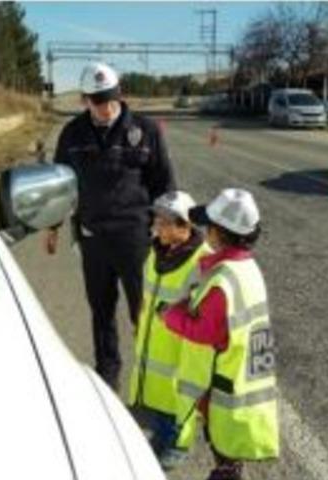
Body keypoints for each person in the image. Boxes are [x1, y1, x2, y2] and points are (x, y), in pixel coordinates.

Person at [46, 62, 175, 389]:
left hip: (136, 239)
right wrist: (53, 226)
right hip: (93, 240)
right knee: (101, 311)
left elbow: (164, 184)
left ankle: (152, 379)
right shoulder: (72, 135)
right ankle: (108, 375)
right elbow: (60, 185)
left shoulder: (145, 131)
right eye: (99, 101)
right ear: (84, 100)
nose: (107, 107)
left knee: (144, 313)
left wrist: (170, 230)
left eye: (112, 99)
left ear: (120, 94)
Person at [161, 188, 280, 480]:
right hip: (245, 372)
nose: (205, 233)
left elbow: (204, 332)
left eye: (208, 228)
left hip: (224, 381)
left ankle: (227, 469)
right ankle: (229, 466)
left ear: (217, 233)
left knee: (223, 443)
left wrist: (170, 314)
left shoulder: (222, 279)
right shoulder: (246, 267)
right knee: (230, 445)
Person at [127, 190, 212, 470]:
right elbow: (148, 295)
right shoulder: (155, 253)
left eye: (164, 223)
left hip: (182, 349)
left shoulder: (203, 262)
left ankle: (178, 444)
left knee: (179, 398)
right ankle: (161, 434)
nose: (157, 228)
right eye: (157, 221)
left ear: (184, 226)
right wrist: (141, 320)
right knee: (156, 397)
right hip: (154, 341)